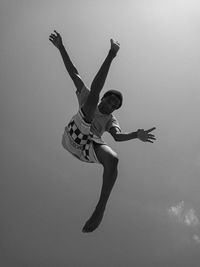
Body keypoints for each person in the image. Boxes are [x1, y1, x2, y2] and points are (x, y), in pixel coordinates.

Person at [49, 30, 156, 233]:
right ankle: (111, 57)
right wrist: (61, 47)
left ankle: (100, 208)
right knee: (90, 102)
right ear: (104, 99)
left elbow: (117, 136)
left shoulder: (111, 119)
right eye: (109, 100)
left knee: (114, 159)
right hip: (72, 135)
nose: (109, 105)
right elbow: (74, 72)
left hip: (87, 149)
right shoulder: (91, 97)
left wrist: (135, 135)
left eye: (114, 105)